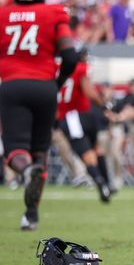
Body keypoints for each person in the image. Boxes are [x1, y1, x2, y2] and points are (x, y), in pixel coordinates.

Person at [0, 0, 79, 230]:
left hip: (13, 86)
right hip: (44, 86)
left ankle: (26, 170)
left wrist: (7, 64)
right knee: (40, 151)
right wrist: (57, 82)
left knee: (15, 152)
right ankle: (31, 213)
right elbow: (70, 57)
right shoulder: (54, 13)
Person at [57, 46, 112, 203]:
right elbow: (89, 91)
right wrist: (103, 104)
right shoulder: (81, 68)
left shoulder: (56, 68)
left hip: (71, 116)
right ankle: (106, 182)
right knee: (95, 149)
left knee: (87, 153)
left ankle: (100, 181)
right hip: (83, 114)